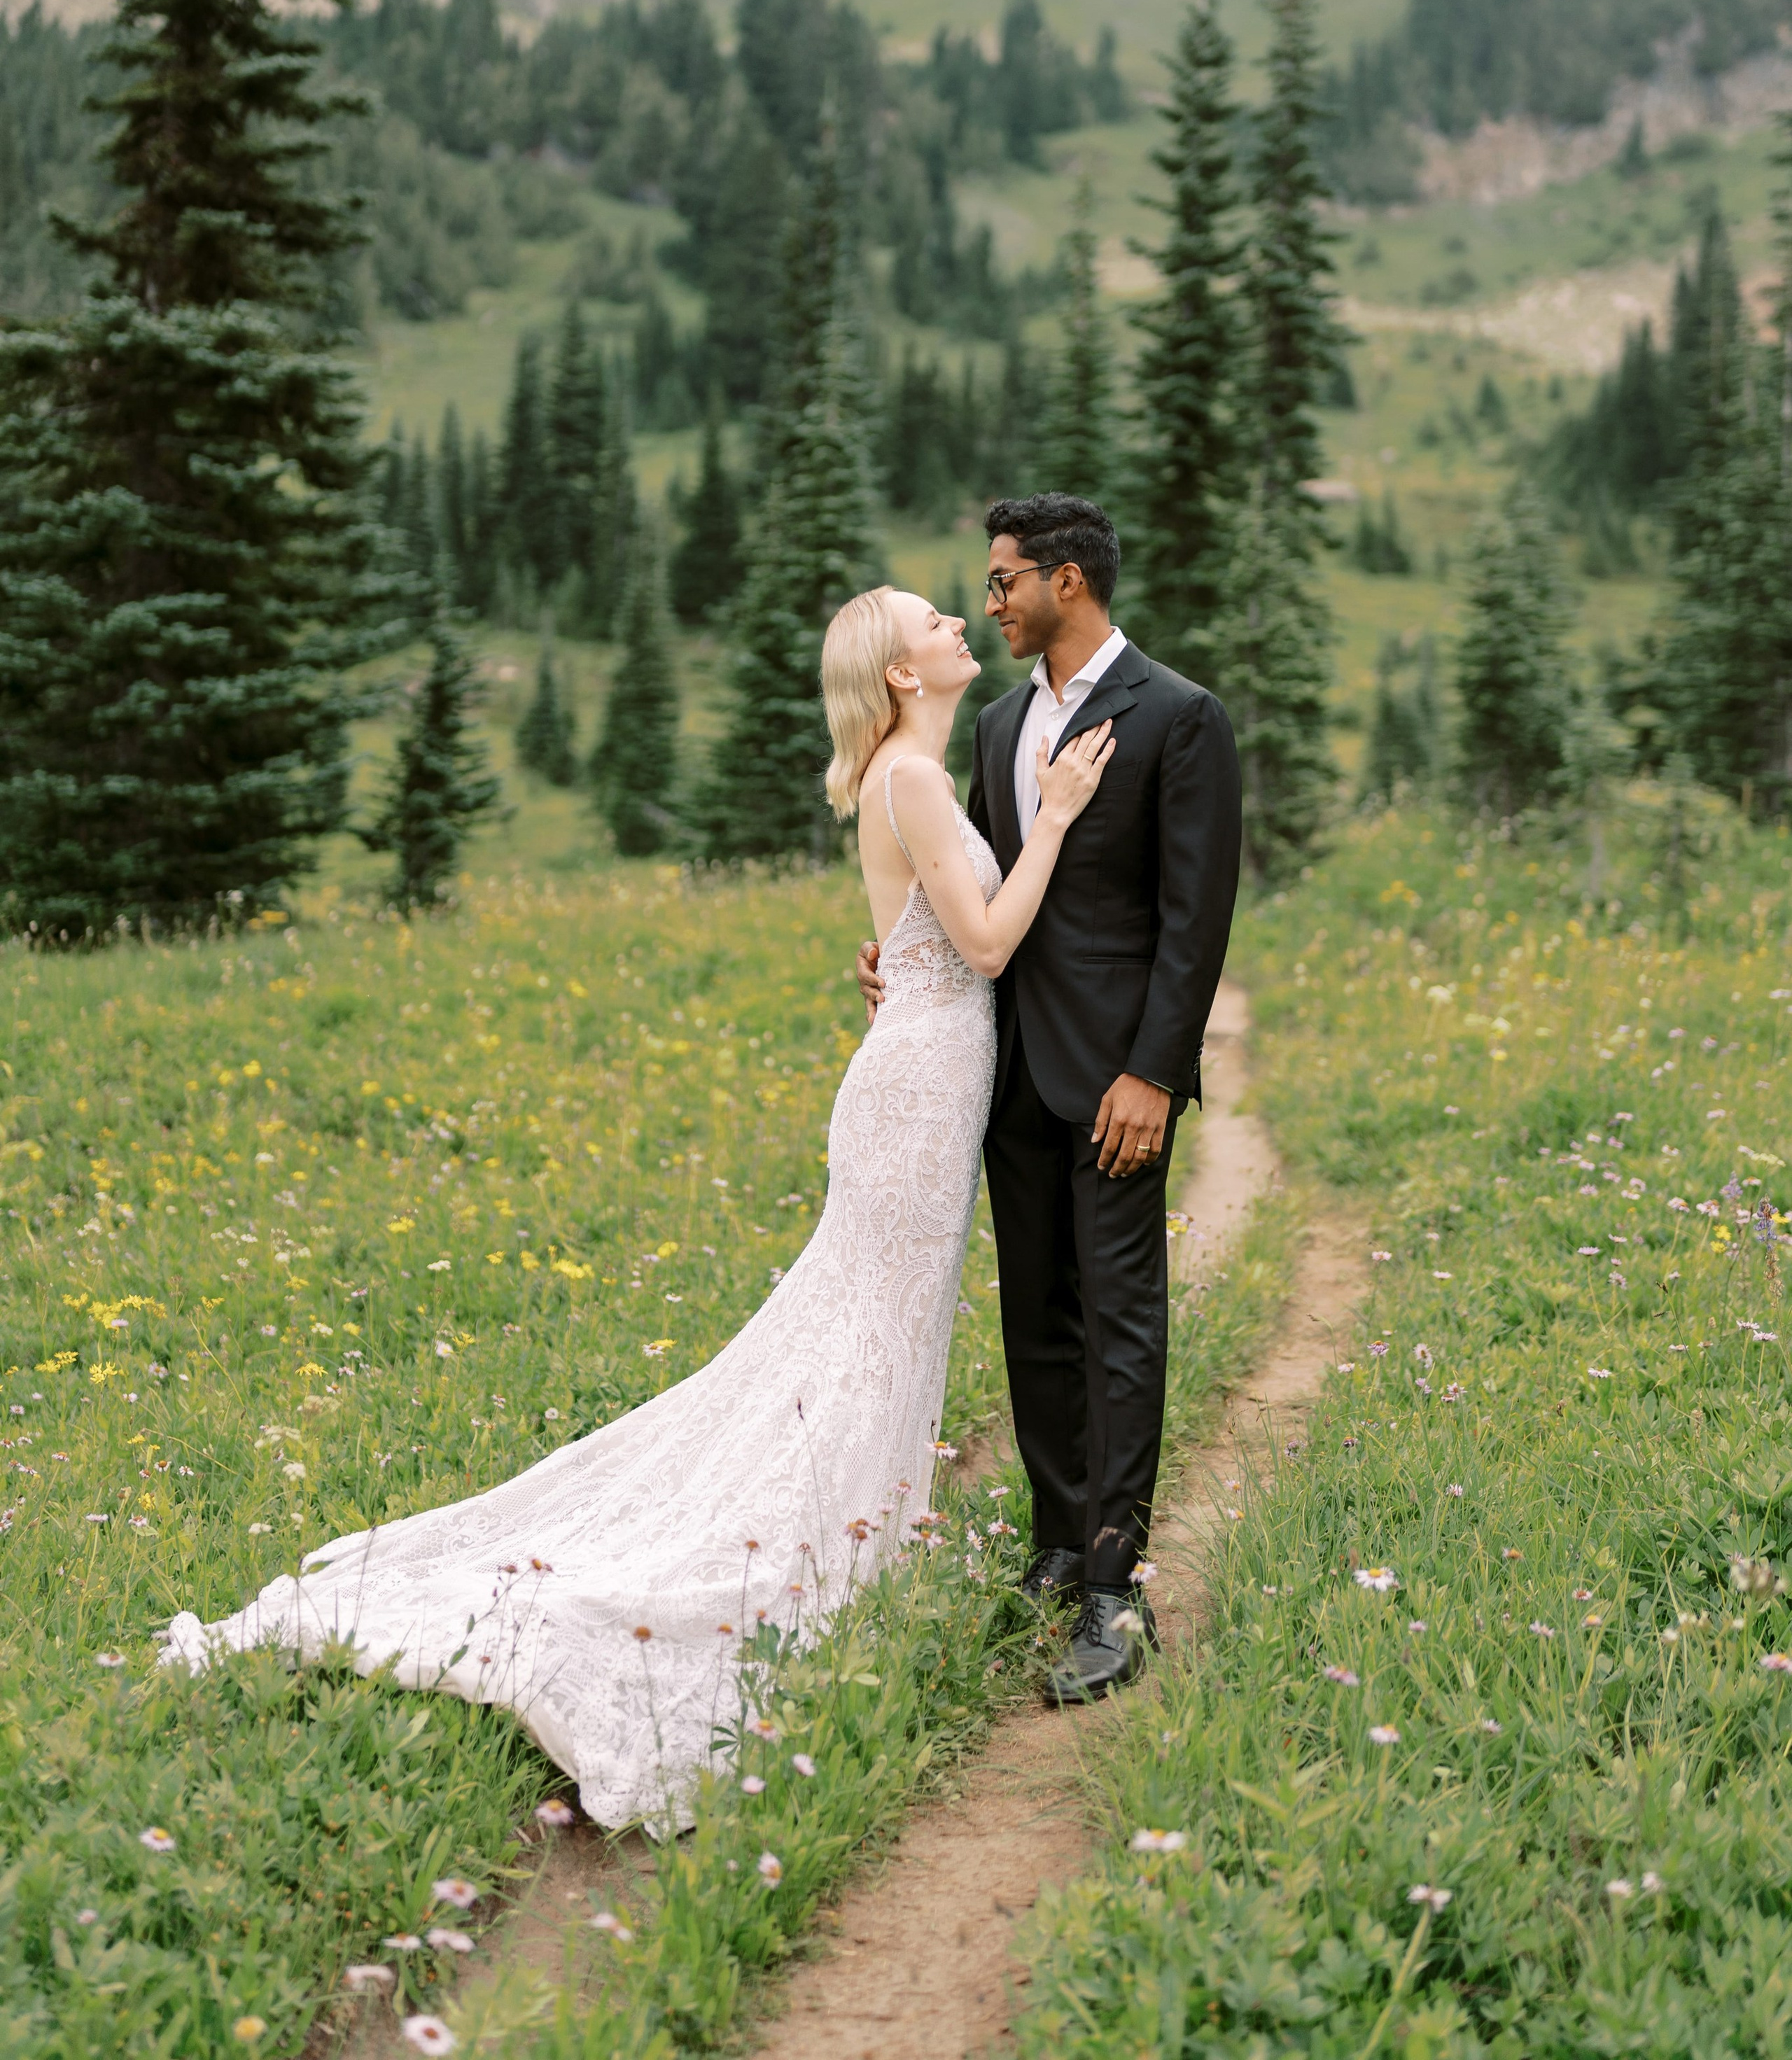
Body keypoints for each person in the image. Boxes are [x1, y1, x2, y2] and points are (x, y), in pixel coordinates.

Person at [161, 584, 1111, 1829]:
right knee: (865, 1331)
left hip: (923, 1079)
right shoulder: (917, 780)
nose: (953, 621)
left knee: (873, 1328)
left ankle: (847, 1546)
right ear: (898, 671)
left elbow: (929, 941)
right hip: (919, 1092)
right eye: (932, 618)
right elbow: (984, 946)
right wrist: (1058, 818)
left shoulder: (911, 775)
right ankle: (801, 1558)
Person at [858, 493, 1240, 1703]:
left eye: (1003, 580)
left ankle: (1117, 1592)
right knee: (1036, 1319)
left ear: (1066, 580)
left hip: (1119, 1080)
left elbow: (1195, 919)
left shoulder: (1179, 715)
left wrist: (1156, 1073)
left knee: (1121, 1323)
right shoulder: (999, 724)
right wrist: (901, 956)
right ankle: (1060, 1547)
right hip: (1008, 1073)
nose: (991, 602)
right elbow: (981, 885)